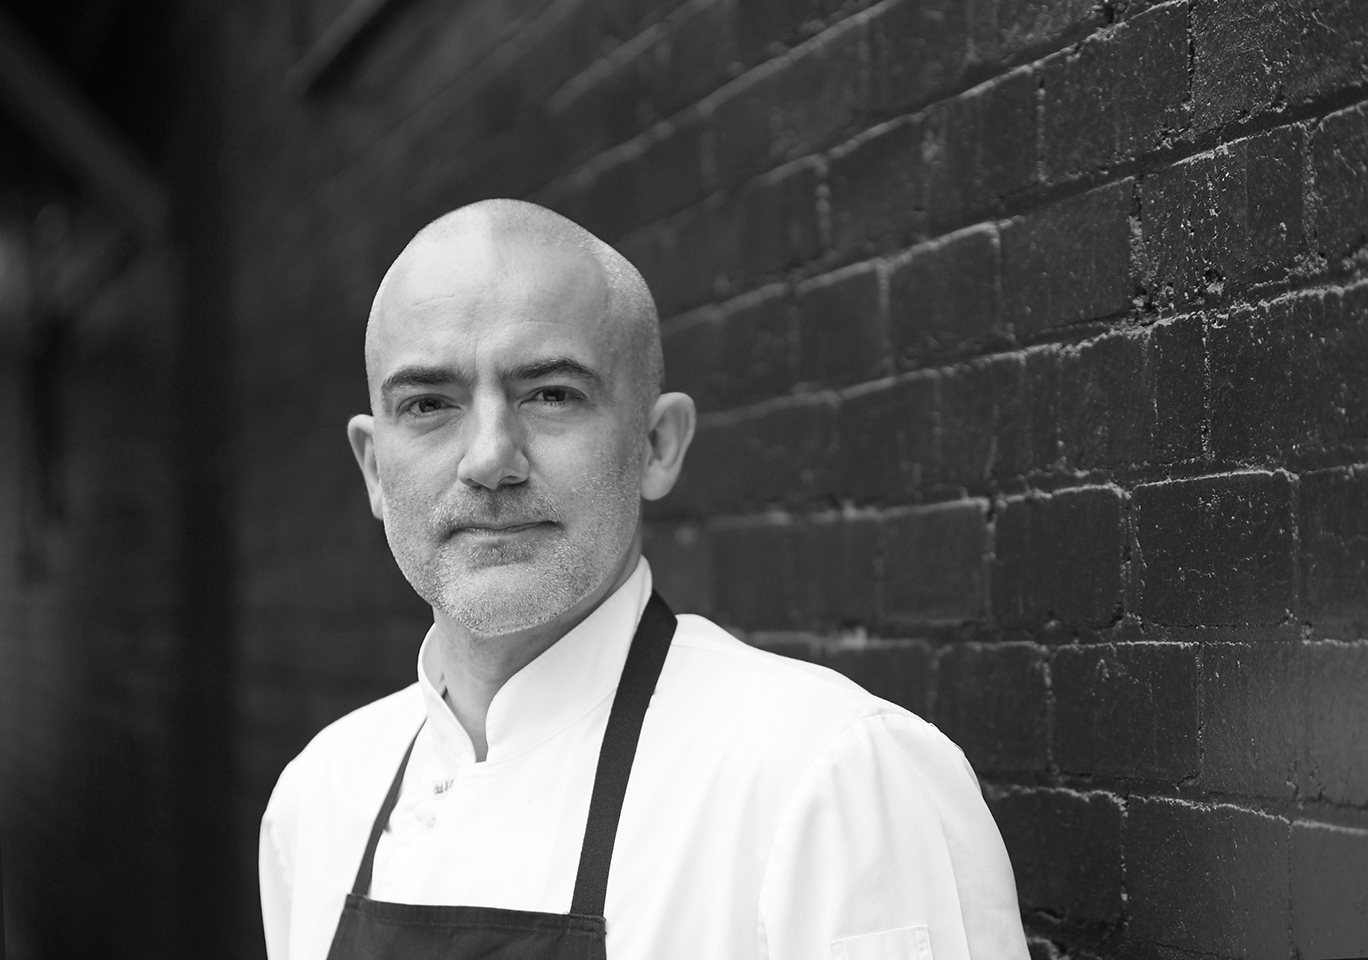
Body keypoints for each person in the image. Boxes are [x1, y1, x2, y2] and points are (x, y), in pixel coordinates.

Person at [258, 199, 1028, 960]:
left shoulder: (827, 781)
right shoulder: (319, 797)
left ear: (657, 444)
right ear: (375, 469)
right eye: (428, 404)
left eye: (551, 394)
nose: (490, 458)